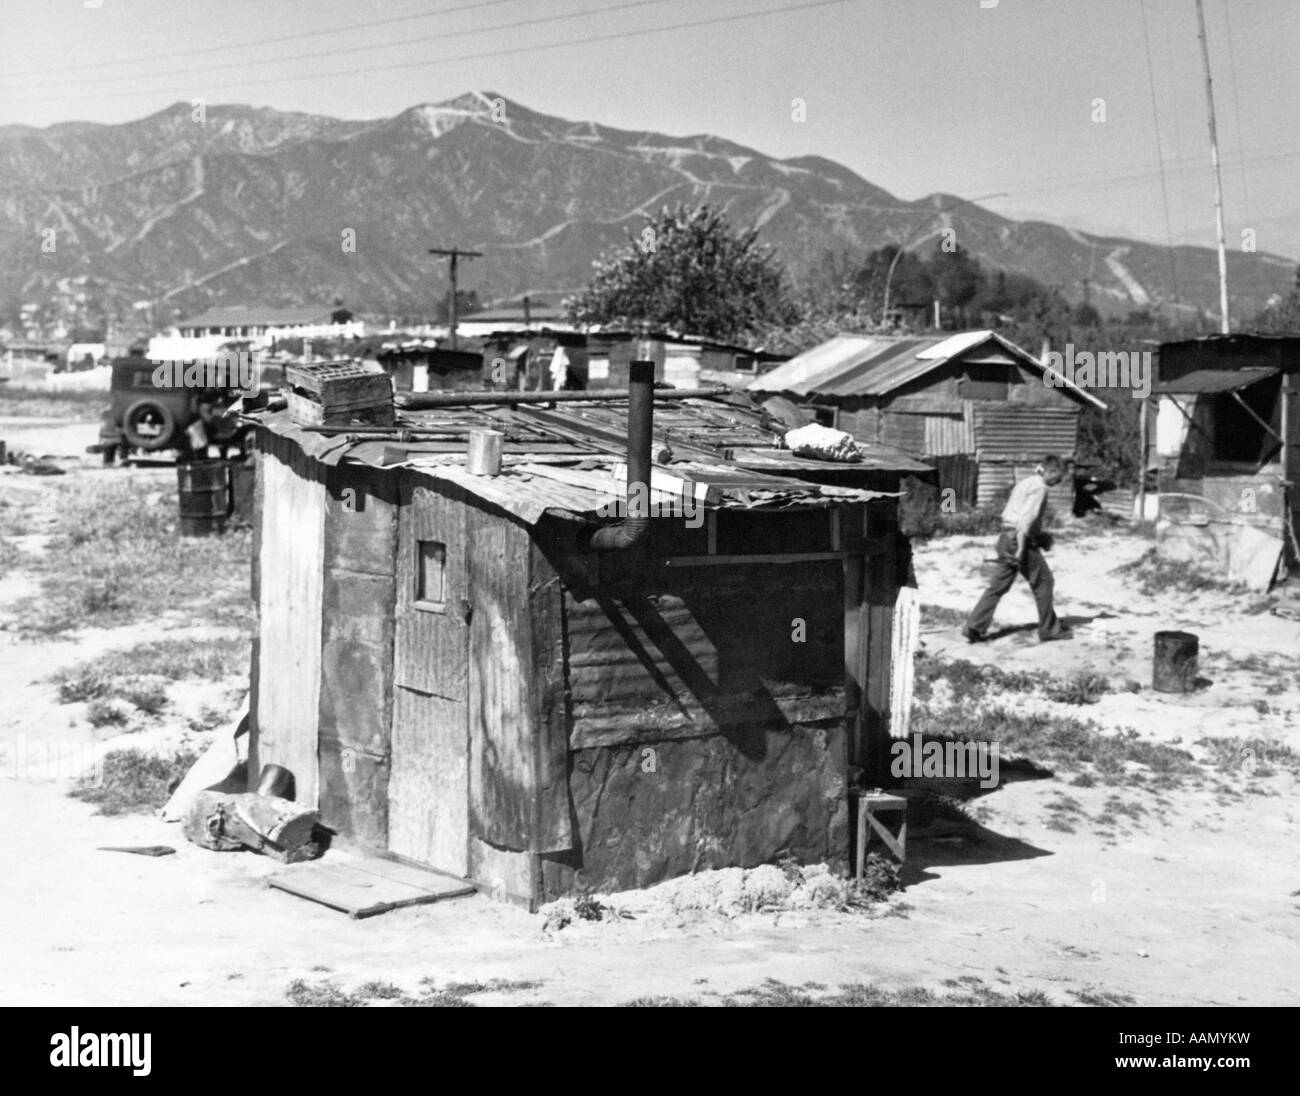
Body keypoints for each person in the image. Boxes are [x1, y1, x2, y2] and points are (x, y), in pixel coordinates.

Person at [963, 455, 1072, 644]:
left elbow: (1019, 516)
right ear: (1052, 471)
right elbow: (1024, 520)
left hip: (1006, 537)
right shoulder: (1039, 488)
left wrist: (1038, 536)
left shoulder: (1027, 482)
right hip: (1018, 540)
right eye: (1059, 477)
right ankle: (1049, 630)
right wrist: (1021, 549)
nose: (1059, 482)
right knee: (1044, 582)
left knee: (998, 586)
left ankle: (974, 627)